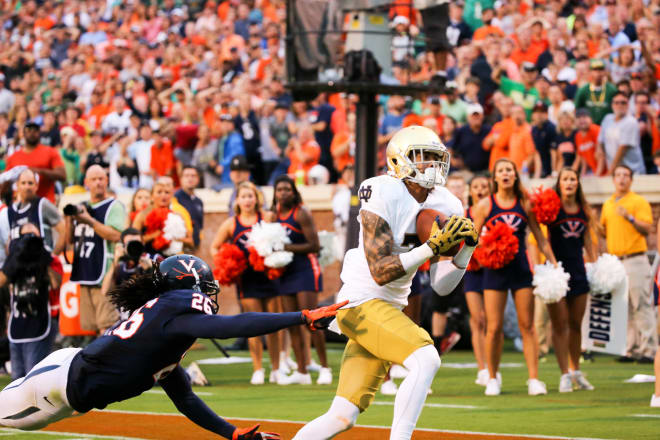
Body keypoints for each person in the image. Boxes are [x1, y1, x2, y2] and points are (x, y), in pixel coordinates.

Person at [0, 253, 346, 440]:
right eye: (205, 287)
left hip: (71, 391)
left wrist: (232, 434)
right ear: (187, 286)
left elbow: (185, 398)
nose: (210, 296)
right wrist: (300, 317)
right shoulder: (175, 310)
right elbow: (229, 327)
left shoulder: (166, 327)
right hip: (56, 382)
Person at [292, 126, 478, 440]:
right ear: (398, 160)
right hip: (360, 302)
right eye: (424, 157)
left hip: (388, 308)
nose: (431, 165)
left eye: (436, 158)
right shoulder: (381, 190)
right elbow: (381, 270)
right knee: (426, 357)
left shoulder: (449, 203)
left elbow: (442, 286)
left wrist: (467, 251)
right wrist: (430, 247)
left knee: (341, 415)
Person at [471, 158, 558, 396]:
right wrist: (488, 249)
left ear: (515, 175)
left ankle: (533, 379)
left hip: (520, 269)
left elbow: (539, 237)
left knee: (527, 326)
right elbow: (473, 238)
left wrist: (553, 262)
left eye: (509, 170)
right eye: (501, 171)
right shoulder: (485, 205)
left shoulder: (525, 203)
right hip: (495, 270)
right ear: (495, 177)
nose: (505, 174)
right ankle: (492, 378)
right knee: (494, 327)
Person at [210, 182, 282, 385]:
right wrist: (228, 261)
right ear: (237, 200)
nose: (248, 200)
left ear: (256, 198)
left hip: (269, 275)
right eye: (243, 196)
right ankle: (258, 369)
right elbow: (214, 248)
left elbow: (279, 240)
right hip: (248, 280)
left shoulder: (266, 217)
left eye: (251, 196)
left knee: (275, 324)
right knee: (253, 325)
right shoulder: (231, 224)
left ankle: (276, 369)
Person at [538, 168, 598, 392]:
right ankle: (564, 374)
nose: (569, 182)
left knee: (575, 324)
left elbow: (588, 242)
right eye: (565, 179)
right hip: (557, 273)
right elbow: (540, 237)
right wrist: (549, 265)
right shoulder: (552, 209)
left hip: (579, 272)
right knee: (560, 324)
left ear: (578, 183)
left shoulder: (583, 209)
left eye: (573, 179)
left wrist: (595, 264)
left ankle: (575, 371)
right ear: (559, 183)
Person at [271, 175, 329, 385]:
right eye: (279, 190)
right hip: (285, 271)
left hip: (305, 270)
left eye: (287, 189)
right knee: (293, 323)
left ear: (294, 192)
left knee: (312, 321)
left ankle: (325, 368)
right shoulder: (273, 215)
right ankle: (302, 371)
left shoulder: (301, 213)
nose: (283, 193)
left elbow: (314, 245)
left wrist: (285, 248)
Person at [600, 165, 656, 363]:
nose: (622, 179)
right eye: (618, 175)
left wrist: (630, 218)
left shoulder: (638, 201)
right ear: (613, 179)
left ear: (631, 180)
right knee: (624, 307)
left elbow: (648, 228)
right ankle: (629, 349)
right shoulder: (608, 204)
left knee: (640, 304)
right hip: (616, 260)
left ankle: (649, 349)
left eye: (625, 175)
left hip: (635, 258)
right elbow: (604, 231)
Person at [65, 165, 126, 335]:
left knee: (107, 326)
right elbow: (69, 242)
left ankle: (109, 361)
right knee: (93, 327)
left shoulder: (114, 206)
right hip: (85, 272)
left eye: (101, 179)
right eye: (94, 179)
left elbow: (117, 235)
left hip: (104, 273)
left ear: (107, 181)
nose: (98, 183)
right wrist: (69, 220)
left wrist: (89, 220)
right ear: (86, 183)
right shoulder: (82, 207)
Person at [0, 222, 62, 380]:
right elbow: (1, 281)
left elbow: (56, 283)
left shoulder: (49, 259)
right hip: (17, 325)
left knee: (33, 378)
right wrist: (15, 257)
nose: (30, 241)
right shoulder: (15, 260)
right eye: (25, 237)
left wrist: (43, 258)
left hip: (40, 324)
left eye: (34, 236)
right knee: (17, 379)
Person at [463, 173, 493, 387]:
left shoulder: (494, 212)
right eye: (476, 186)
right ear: (470, 191)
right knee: (478, 319)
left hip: (492, 268)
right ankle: (482, 368)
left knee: (492, 321)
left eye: (484, 186)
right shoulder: (463, 214)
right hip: (472, 270)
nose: (481, 189)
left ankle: (492, 368)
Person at [0, 168, 65, 255]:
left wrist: (53, 257)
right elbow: (9, 241)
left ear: (36, 186)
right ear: (17, 186)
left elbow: (63, 230)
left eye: (30, 183)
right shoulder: (11, 210)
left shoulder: (43, 205)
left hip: (40, 265)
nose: (27, 187)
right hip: (19, 265)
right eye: (23, 183)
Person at [5, 121, 65, 203]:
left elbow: (62, 175)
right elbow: (6, 182)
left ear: (39, 133)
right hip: (20, 205)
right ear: (23, 134)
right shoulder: (13, 157)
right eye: (29, 130)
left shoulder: (50, 152)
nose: (32, 133)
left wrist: (38, 171)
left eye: (35, 130)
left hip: (45, 203)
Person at [132, 178, 194, 256]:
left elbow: (191, 243)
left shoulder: (178, 216)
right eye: (159, 192)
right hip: (148, 261)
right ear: (152, 196)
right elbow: (133, 241)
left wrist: (174, 238)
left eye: (167, 192)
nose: (163, 195)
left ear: (171, 196)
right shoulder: (142, 215)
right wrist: (156, 235)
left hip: (171, 261)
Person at [597, 92, 645, 175]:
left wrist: (609, 173)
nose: (619, 105)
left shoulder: (631, 122)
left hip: (633, 172)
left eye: (623, 102)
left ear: (628, 105)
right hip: (616, 172)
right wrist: (599, 150)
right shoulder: (607, 118)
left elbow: (622, 150)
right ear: (612, 105)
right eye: (616, 102)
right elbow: (600, 140)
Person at [175, 166, 204, 250]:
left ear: (198, 179)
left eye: (193, 176)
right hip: (180, 249)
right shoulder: (175, 199)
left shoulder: (199, 201)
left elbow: (200, 226)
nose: (190, 178)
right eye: (187, 176)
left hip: (195, 248)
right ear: (181, 179)